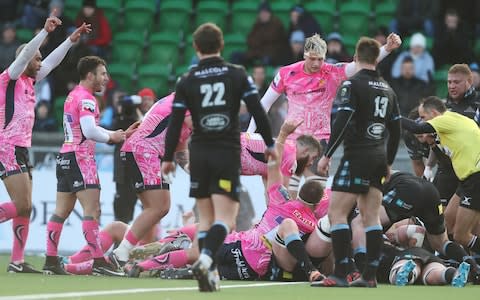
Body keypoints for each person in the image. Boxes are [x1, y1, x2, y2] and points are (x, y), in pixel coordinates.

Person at [161, 23, 277, 292]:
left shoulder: (186, 79)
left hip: (198, 153)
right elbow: (258, 110)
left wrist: (168, 156)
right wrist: (269, 144)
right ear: (221, 45)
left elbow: (176, 121)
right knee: (227, 218)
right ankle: (205, 259)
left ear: (195, 47)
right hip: (225, 152)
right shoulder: (236, 74)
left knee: (207, 217)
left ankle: (209, 271)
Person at [247, 33, 401, 191]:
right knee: (286, 194)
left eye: (320, 59)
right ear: (304, 55)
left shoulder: (332, 72)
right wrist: (248, 134)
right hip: (292, 141)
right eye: (312, 58)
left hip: (319, 140)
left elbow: (363, 64)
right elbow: (264, 104)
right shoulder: (287, 73)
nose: (316, 63)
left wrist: (387, 49)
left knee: (316, 193)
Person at [0, 15, 91, 273]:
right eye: (36, 58)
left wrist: (70, 41)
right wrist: (44, 32)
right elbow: (28, 53)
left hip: (21, 148)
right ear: (25, 60)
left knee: (25, 209)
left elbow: (51, 62)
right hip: (6, 145)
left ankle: (16, 262)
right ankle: (16, 262)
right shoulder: (10, 78)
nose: (40, 62)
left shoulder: (30, 81)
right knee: (22, 205)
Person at [313, 37, 401, 287]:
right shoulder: (388, 89)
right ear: (376, 58)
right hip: (377, 158)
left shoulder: (352, 84)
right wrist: (388, 161)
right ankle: (369, 276)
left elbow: (342, 121)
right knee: (371, 217)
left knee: (337, 213)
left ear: (356, 56)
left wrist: (327, 154)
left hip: (356, 157)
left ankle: (340, 273)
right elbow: (396, 131)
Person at [42, 56, 129, 276]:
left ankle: (51, 260)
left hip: (65, 156)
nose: (106, 79)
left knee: (61, 211)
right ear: (90, 75)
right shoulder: (87, 99)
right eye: (102, 74)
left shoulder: (73, 96)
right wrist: (113, 136)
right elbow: (89, 131)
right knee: (93, 210)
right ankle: (99, 262)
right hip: (81, 158)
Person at [401, 96, 480, 283]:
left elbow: (416, 128)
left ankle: (473, 266)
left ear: (434, 114)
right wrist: (428, 168)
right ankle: (468, 265)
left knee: (462, 235)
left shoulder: (445, 118)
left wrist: (390, 115)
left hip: (476, 176)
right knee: (449, 224)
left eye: (423, 116)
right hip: (468, 180)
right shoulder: (449, 126)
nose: (421, 120)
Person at [109, 93, 192, 267]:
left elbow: (180, 150)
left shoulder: (184, 100)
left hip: (145, 150)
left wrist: (191, 170)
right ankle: (121, 254)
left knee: (156, 209)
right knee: (158, 207)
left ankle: (132, 255)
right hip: (144, 151)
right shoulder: (189, 99)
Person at [350, 172, 480, 283]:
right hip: (430, 191)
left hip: (408, 189)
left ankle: (364, 275)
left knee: (360, 222)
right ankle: (472, 266)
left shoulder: (355, 199)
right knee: (440, 243)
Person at [112, 88, 157, 224]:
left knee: (152, 210)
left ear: (154, 101)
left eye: (149, 99)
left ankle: (149, 241)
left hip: (147, 170)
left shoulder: (156, 117)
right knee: (123, 210)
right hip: (125, 169)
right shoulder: (128, 116)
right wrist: (123, 112)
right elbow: (116, 133)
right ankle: (120, 240)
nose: (145, 103)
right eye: (143, 99)